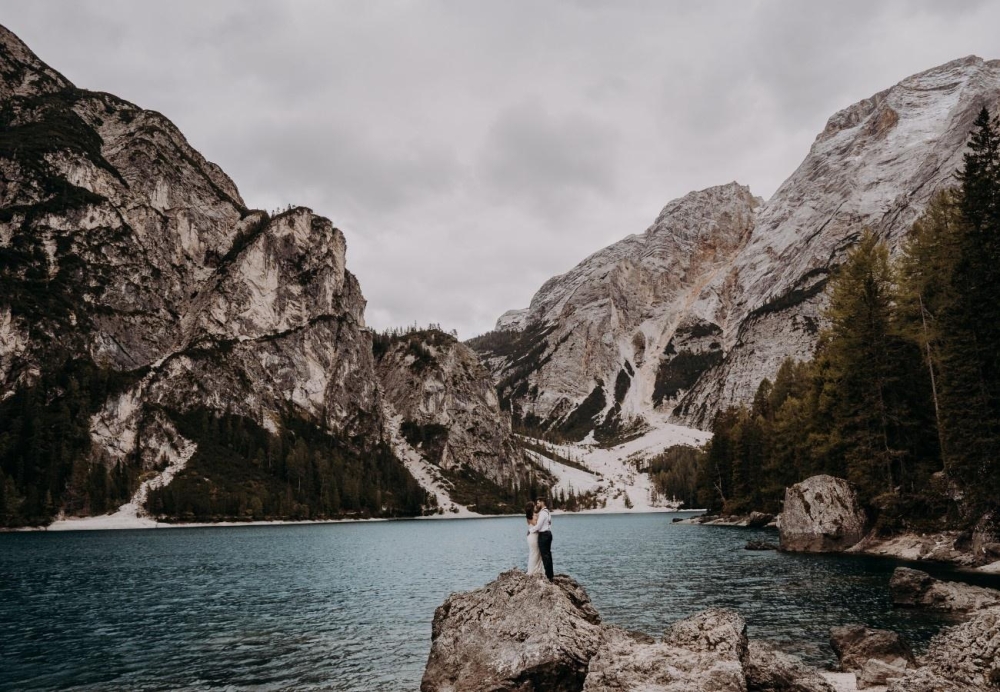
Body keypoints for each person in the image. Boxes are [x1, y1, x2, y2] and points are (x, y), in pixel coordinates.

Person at [528, 497, 553, 581]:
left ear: (542, 502)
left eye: (538, 503)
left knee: (545, 556)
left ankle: (549, 576)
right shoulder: (547, 512)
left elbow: (538, 526)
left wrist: (530, 530)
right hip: (548, 533)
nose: (537, 504)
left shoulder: (542, 513)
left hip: (544, 535)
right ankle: (550, 574)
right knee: (548, 555)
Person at [525, 502, 543, 576]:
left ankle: (538, 571)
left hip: (534, 535)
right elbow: (536, 525)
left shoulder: (535, 515)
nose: (536, 506)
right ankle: (532, 571)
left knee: (538, 554)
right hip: (533, 537)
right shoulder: (530, 517)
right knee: (534, 554)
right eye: (534, 506)